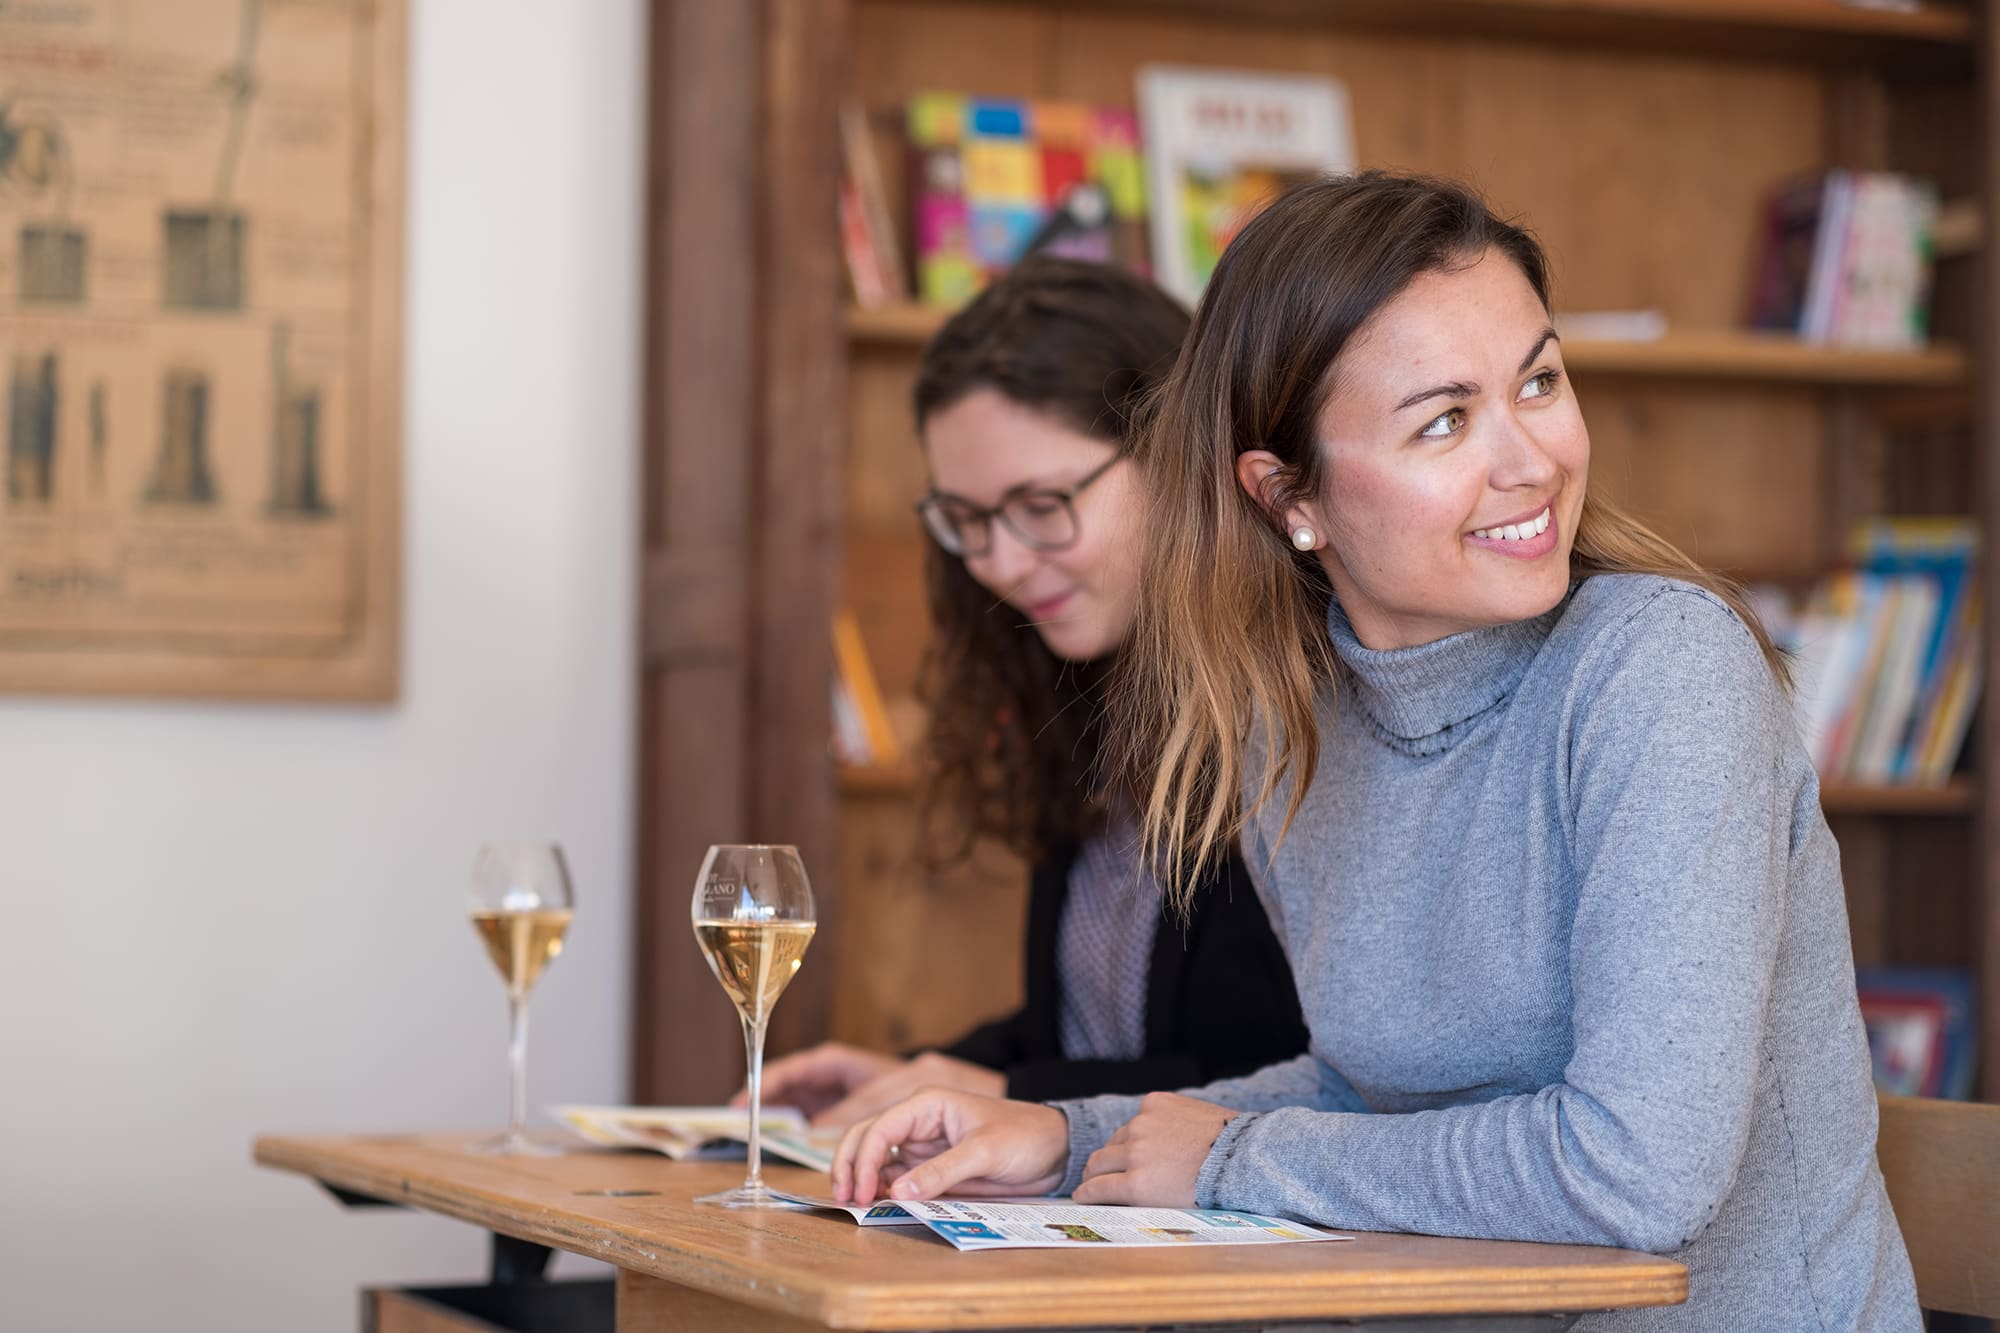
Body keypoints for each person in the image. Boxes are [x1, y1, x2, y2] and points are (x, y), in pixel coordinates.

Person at [829, 174, 1920, 1330]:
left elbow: (1635, 1171)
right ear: (1287, 494)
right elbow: (1364, 1089)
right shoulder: (1289, 724)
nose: (1530, 460)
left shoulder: (1659, 670)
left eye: (1537, 382)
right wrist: (1068, 1137)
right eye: (1443, 419)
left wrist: (1234, 1158)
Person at [754, 256, 1309, 1129]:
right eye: (966, 522)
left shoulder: (1301, 715)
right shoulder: (1085, 697)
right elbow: (1101, 1035)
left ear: (1174, 455)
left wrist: (1012, 1094)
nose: (1003, 565)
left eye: (1041, 504)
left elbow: (1293, 1071)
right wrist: (923, 1076)